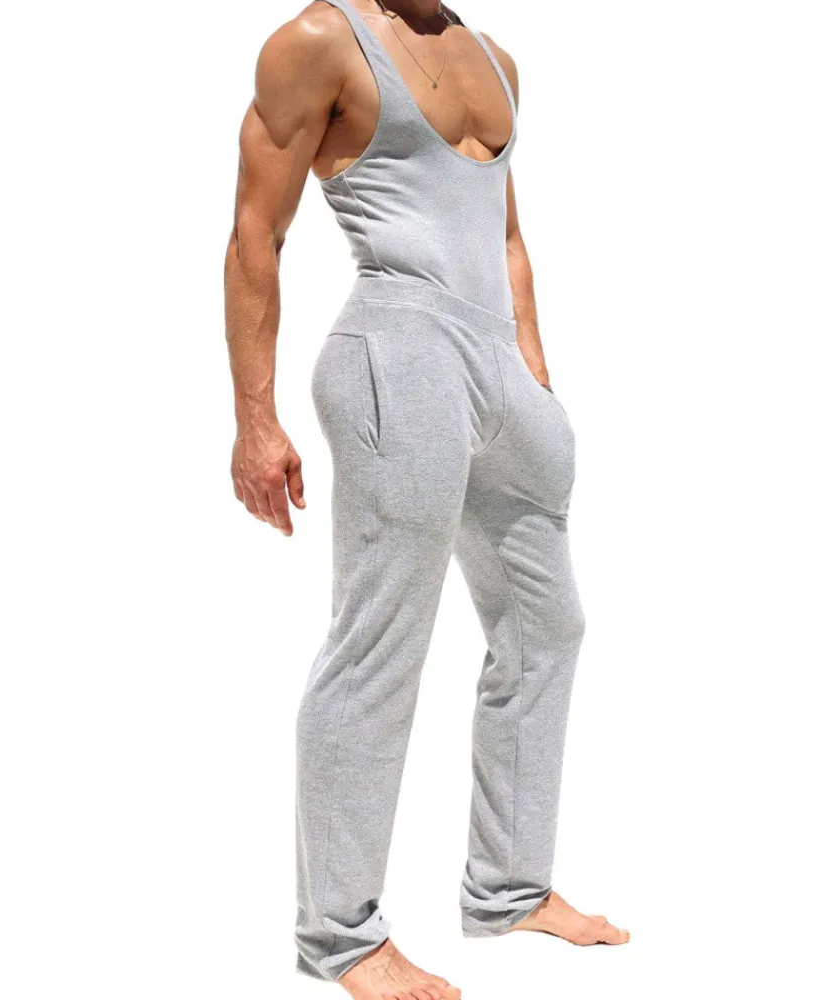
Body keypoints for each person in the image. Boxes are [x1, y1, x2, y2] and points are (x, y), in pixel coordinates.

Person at [223, 2, 630, 996]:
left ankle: (509, 888)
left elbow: (507, 236)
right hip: (397, 352)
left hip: (499, 373)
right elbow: (255, 233)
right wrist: (255, 420)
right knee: (378, 648)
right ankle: (341, 936)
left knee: (547, 626)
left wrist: (536, 379)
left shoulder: (495, 58)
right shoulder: (317, 43)